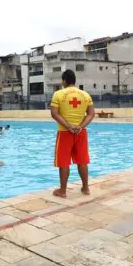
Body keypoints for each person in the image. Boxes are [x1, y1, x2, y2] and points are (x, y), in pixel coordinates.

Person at [50, 69, 95, 198]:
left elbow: (54, 113)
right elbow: (91, 114)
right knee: (82, 161)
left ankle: (63, 191)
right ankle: (86, 188)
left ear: (64, 81)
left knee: (64, 162)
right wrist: (80, 126)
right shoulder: (85, 95)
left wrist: (69, 127)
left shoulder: (58, 94)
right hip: (81, 132)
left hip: (65, 132)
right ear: (74, 80)